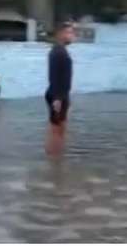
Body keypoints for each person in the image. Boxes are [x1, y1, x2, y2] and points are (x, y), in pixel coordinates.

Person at [45, 22, 75, 155]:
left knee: (59, 128)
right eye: (69, 32)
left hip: (61, 95)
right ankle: (54, 161)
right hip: (58, 95)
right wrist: (58, 99)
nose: (72, 35)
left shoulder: (59, 50)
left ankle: (56, 161)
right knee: (56, 129)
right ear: (61, 34)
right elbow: (54, 76)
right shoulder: (58, 52)